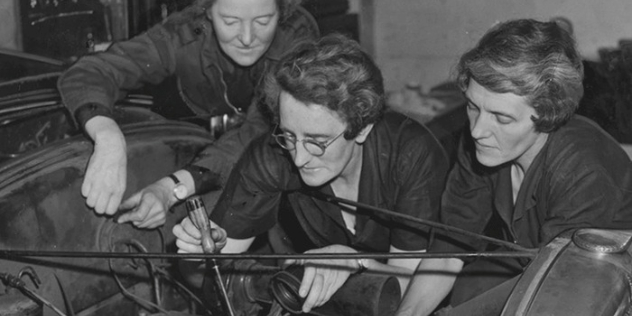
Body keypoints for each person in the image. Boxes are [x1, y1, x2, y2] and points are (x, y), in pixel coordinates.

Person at [173, 33, 450, 314]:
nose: (300, 157)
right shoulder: (273, 153)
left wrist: (354, 260)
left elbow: (409, 289)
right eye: (289, 135)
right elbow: (204, 277)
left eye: (317, 142)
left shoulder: (410, 154)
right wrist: (198, 252)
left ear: (363, 127)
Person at [396, 19, 632, 316]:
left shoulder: (582, 168)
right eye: (472, 106)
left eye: (502, 118)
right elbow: (449, 250)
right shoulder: (483, 147)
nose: (478, 130)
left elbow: (554, 287)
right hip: (543, 272)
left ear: (548, 113)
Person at [57, 0, 319, 225]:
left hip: (267, 151)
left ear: (281, 14)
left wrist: (170, 189)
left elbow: (256, 133)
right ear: (206, 11)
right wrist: (108, 137)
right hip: (203, 136)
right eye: (230, 21)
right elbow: (90, 72)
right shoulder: (181, 33)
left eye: (263, 21)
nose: (247, 38)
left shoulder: (298, 35)